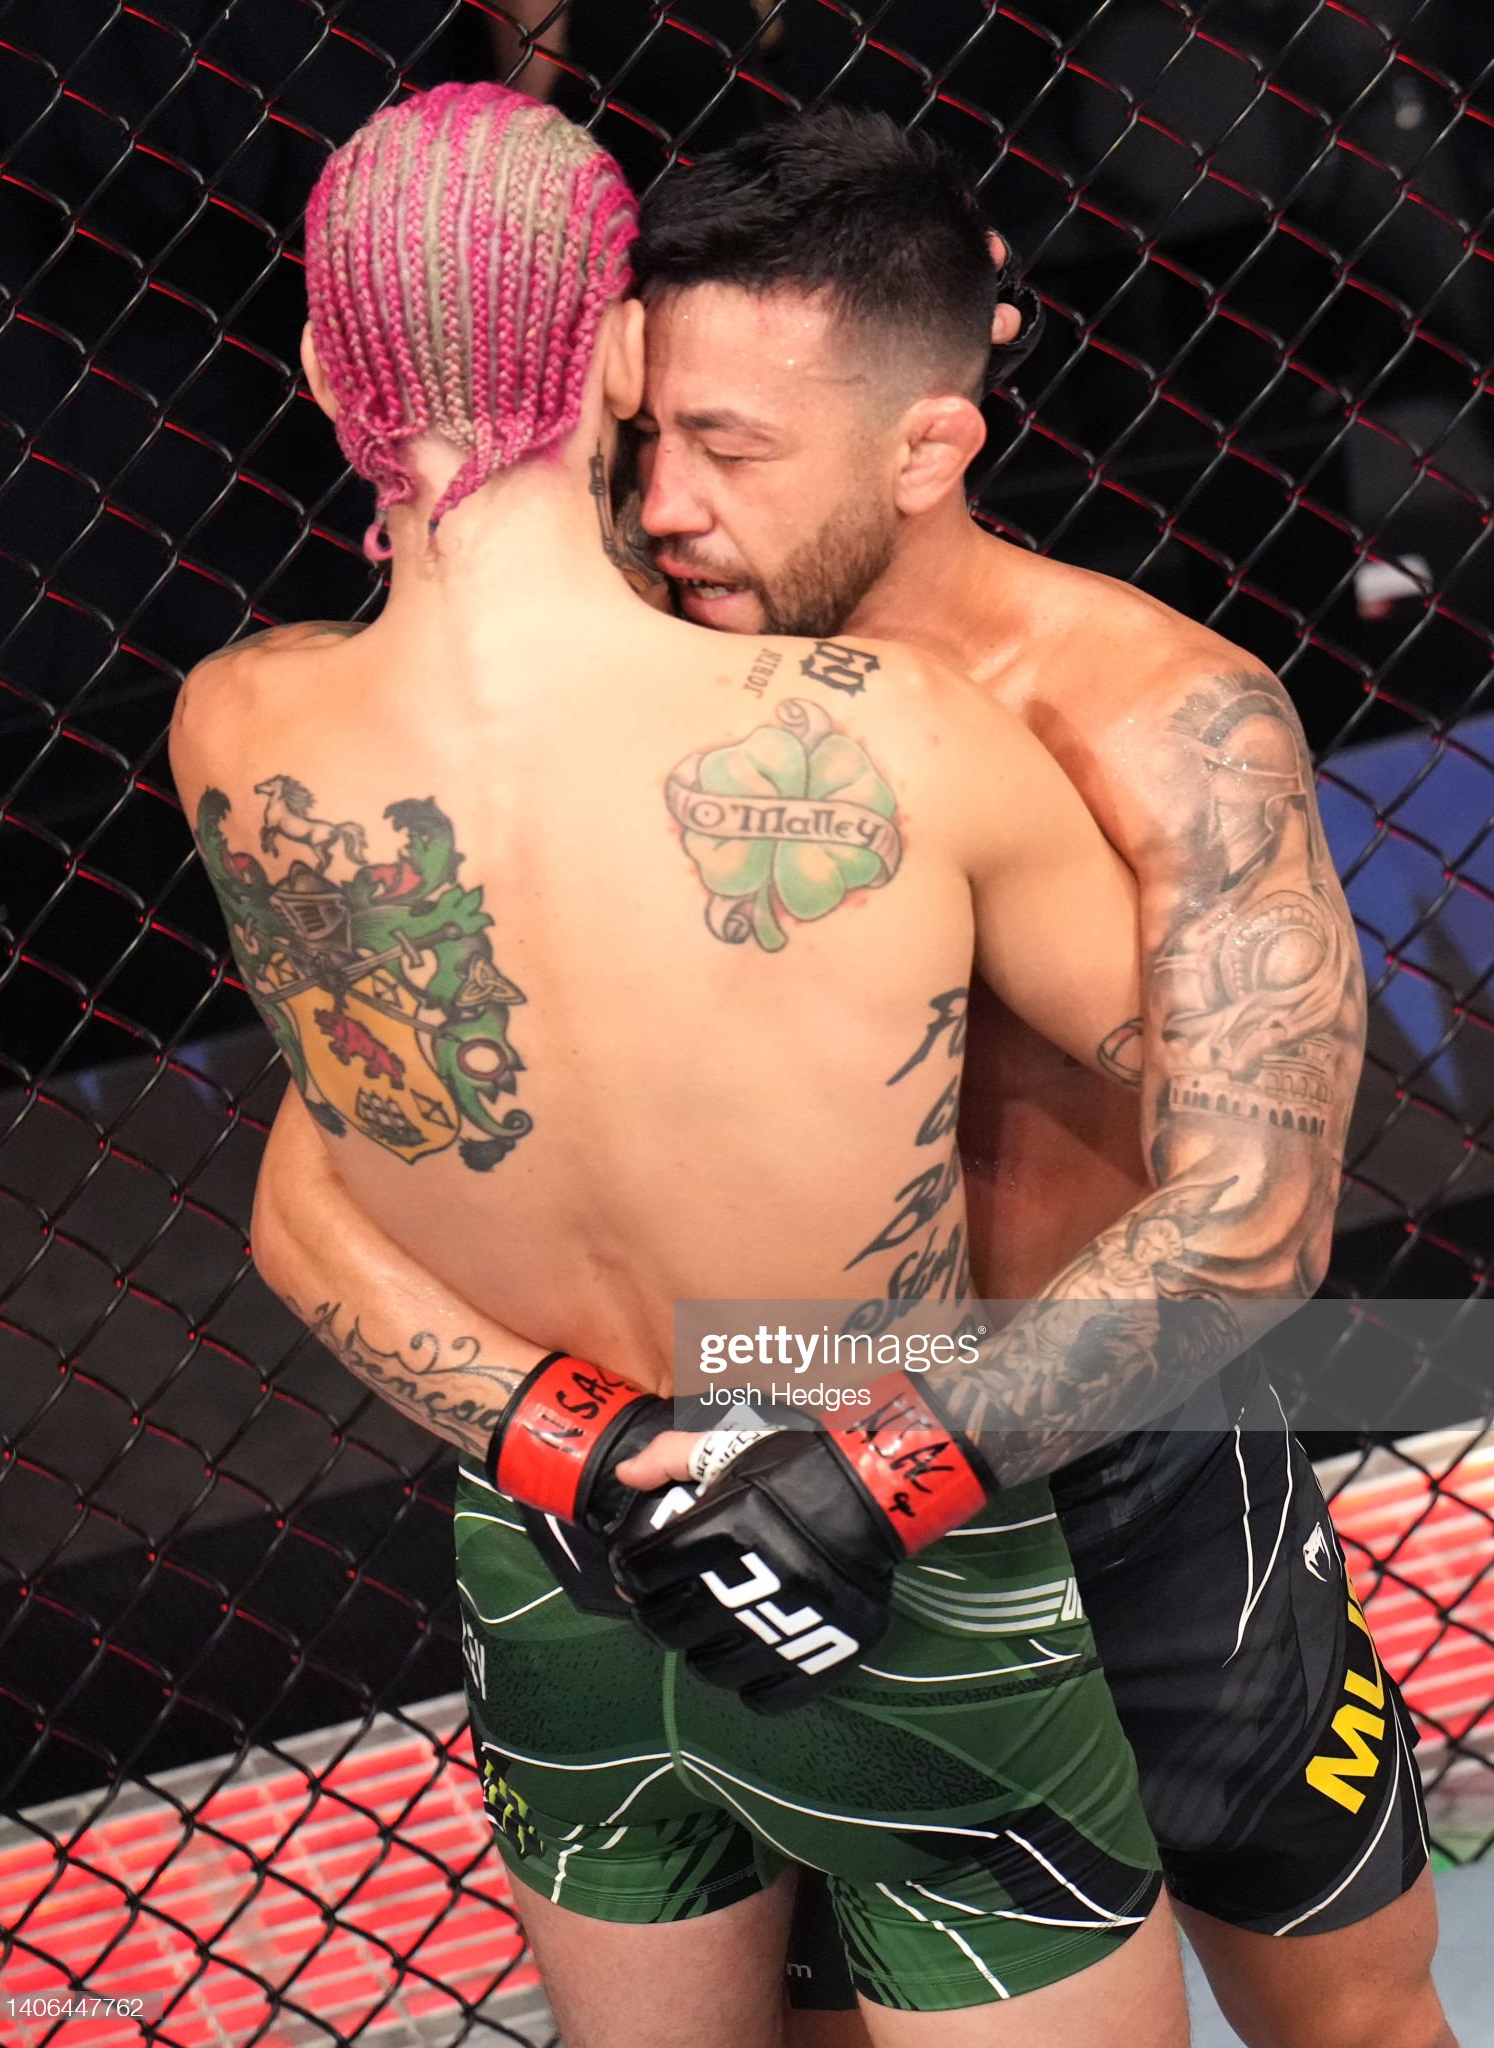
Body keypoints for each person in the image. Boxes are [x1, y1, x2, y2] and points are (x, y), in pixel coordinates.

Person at [252, 110, 1459, 2048]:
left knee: (1351, 2013)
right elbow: (325, 1167)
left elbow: (1259, 1204)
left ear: (925, 447)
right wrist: (579, 1438)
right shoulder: (597, 706)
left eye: (732, 451)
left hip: (1120, 1455)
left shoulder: (1158, 715)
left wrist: (901, 1463)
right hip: (748, 1461)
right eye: (649, 434)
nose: (664, 507)